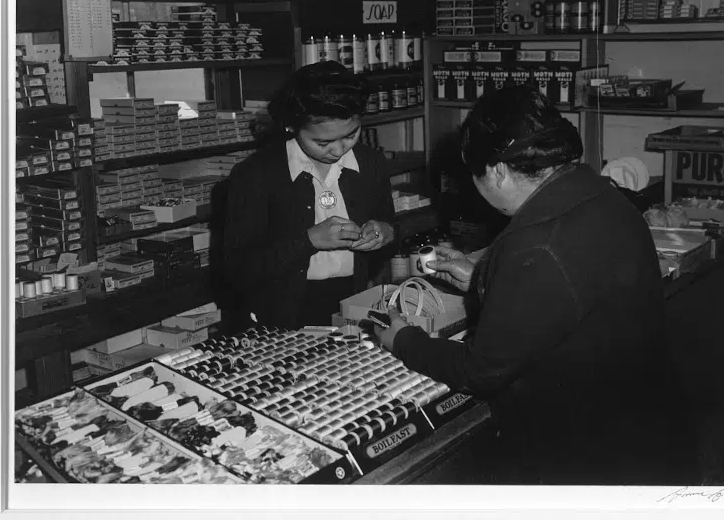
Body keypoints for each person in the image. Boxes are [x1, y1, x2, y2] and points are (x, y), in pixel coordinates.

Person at [375, 85, 698, 485]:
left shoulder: (535, 244)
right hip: (646, 429)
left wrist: (404, 340)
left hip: (593, 459)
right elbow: (570, 299)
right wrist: (480, 278)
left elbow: (481, 371)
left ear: (496, 170)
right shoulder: (600, 196)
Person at [222, 61, 396, 331]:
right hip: (282, 314)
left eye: (351, 135)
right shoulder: (255, 175)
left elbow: (390, 225)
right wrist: (309, 240)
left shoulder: (370, 163)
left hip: (354, 302)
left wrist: (384, 232)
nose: (339, 150)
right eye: (323, 143)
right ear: (292, 127)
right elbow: (238, 270)